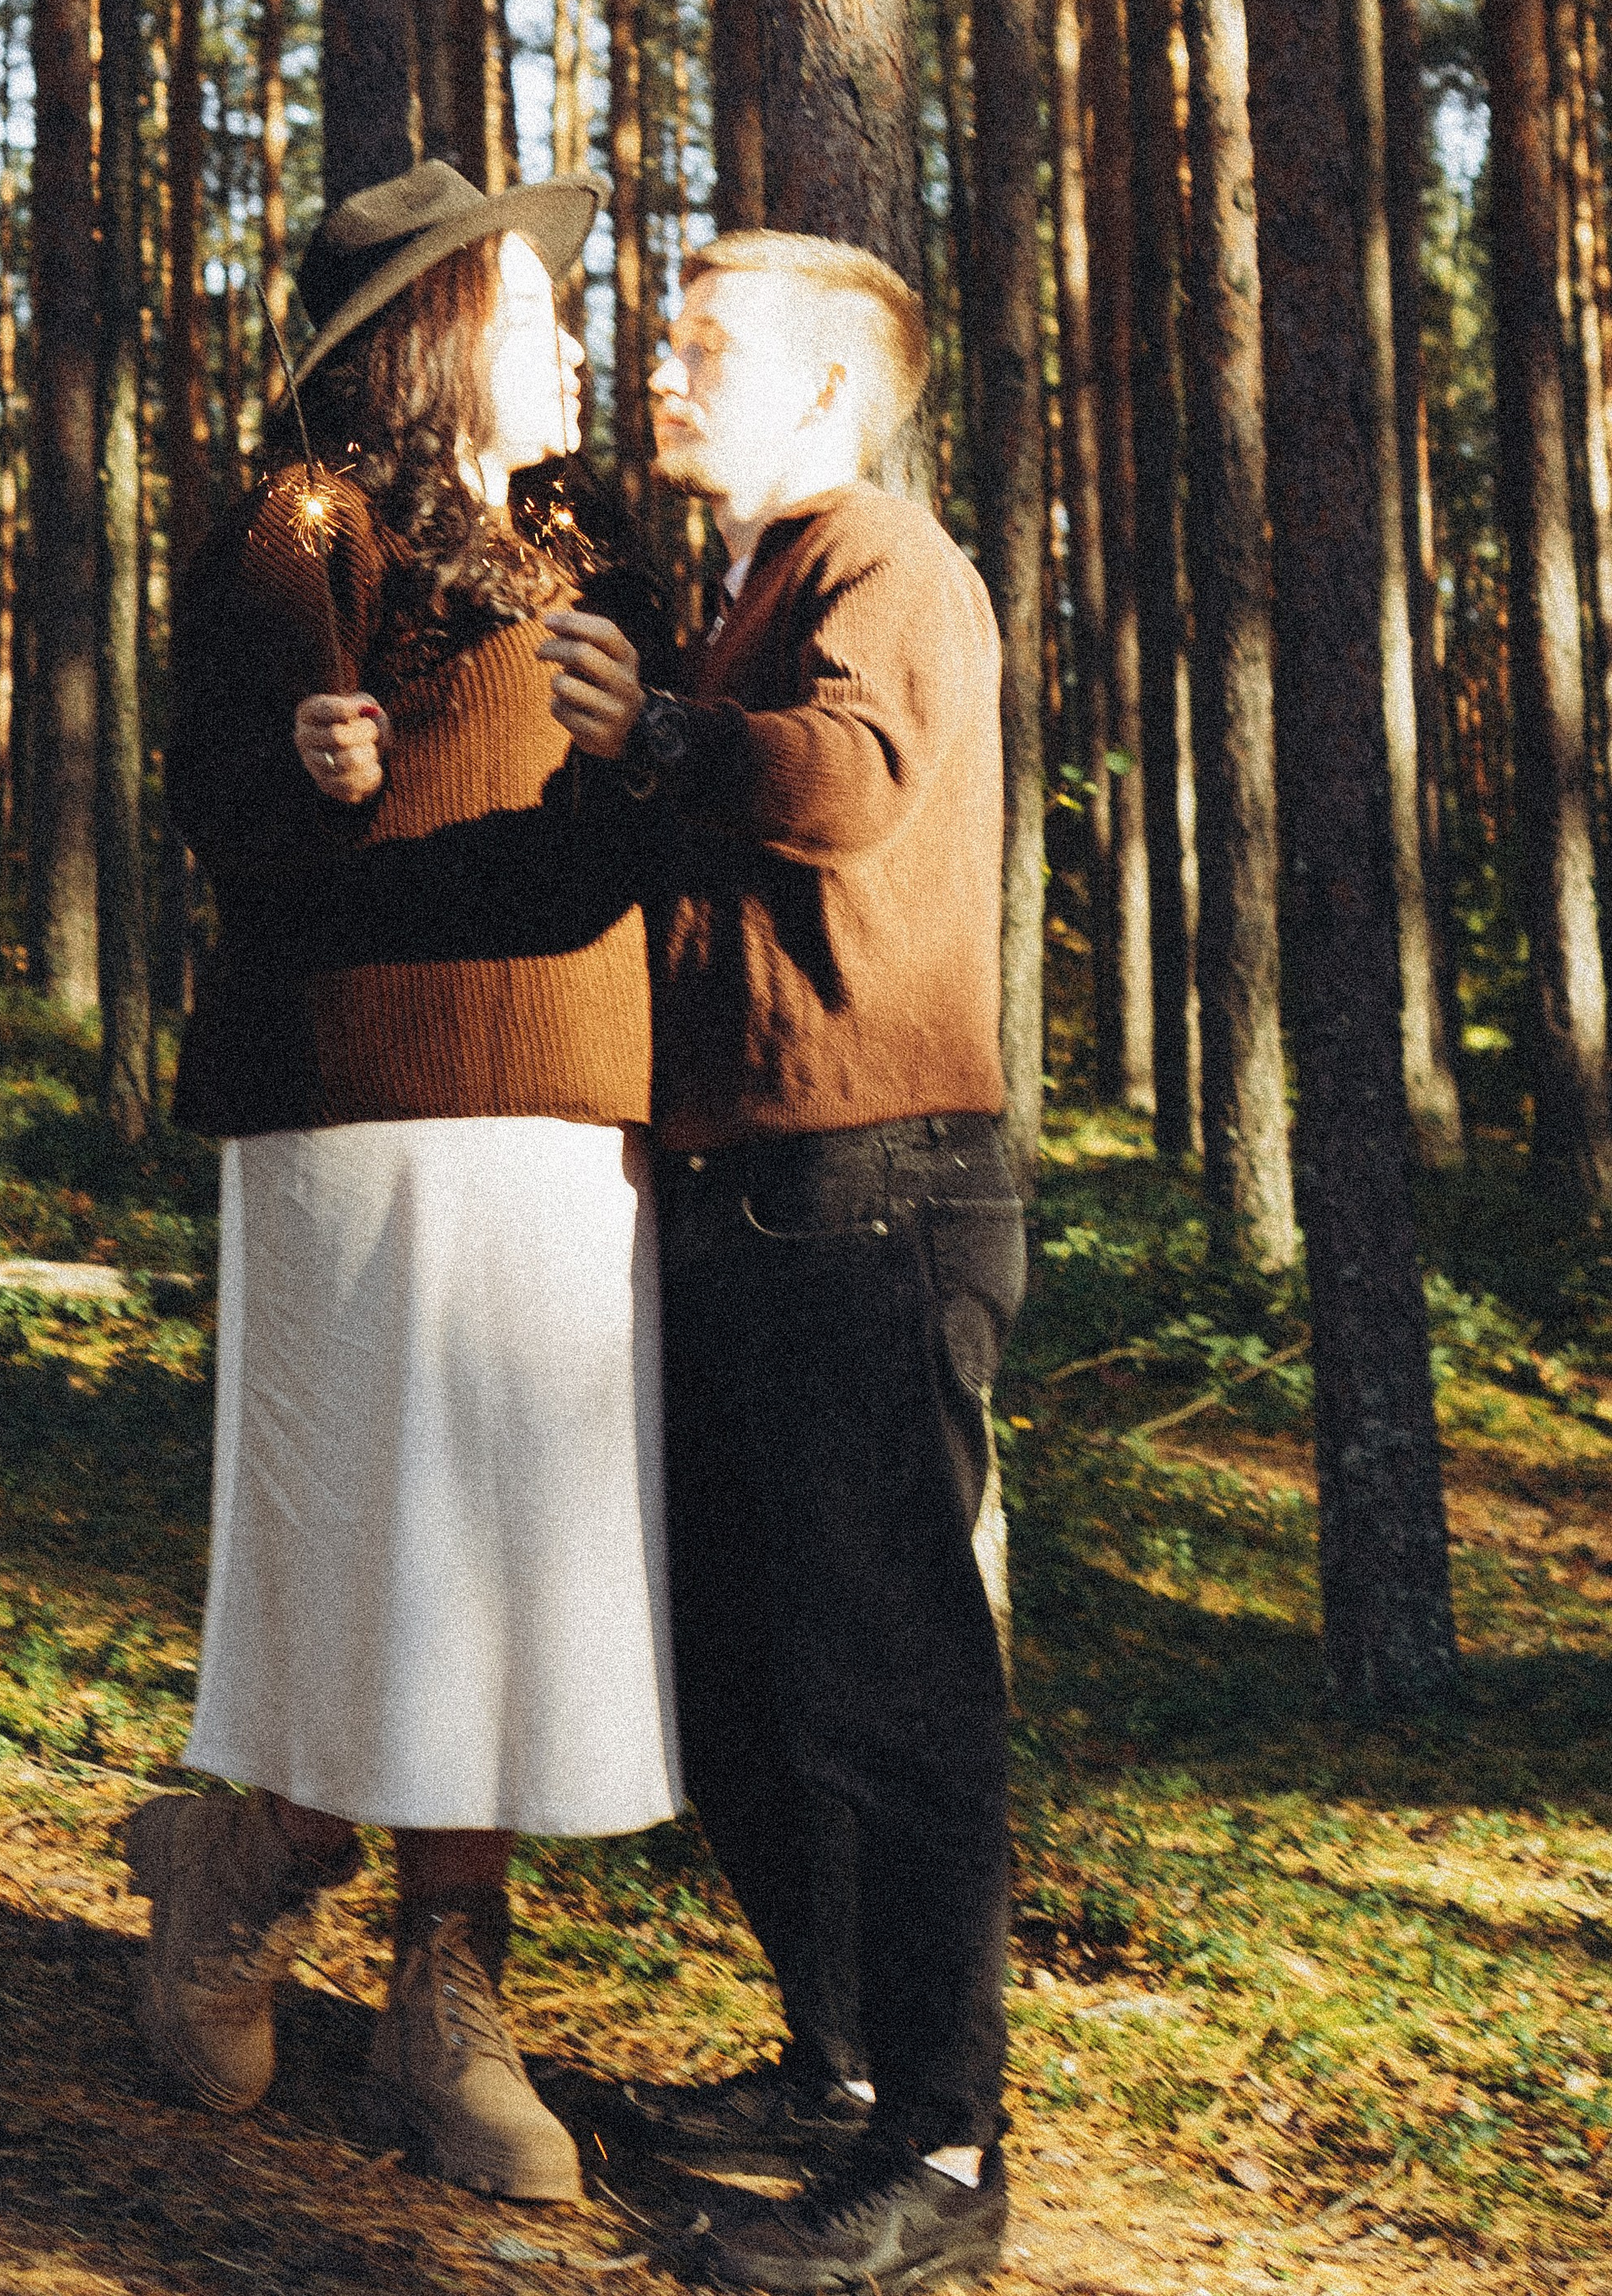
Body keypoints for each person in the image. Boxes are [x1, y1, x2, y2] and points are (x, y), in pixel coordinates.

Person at [129, 158, 681, 2206]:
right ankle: (245, 1856)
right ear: (435, 332)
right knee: (352, 1537)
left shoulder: (600, 535)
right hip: (352, 1085)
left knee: (530, 1561)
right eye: (531, 304)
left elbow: (657, 790)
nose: (565, 338)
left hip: (572, 1092)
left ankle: (452, 1998)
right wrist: (310, 768)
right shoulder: (303, 519)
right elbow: (219, 795)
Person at [539, 230, 1024, 2295]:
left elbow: (842, 786)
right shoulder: (738, 591)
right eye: (663, 336)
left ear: (825, 396)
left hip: (873, 1193)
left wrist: (658, 733)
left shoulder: (879, 561)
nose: (663, 370)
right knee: (744, 1676)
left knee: (887, 1690)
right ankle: (833, 2075)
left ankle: (944, 2148)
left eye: (706, 348)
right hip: (749, 1193)